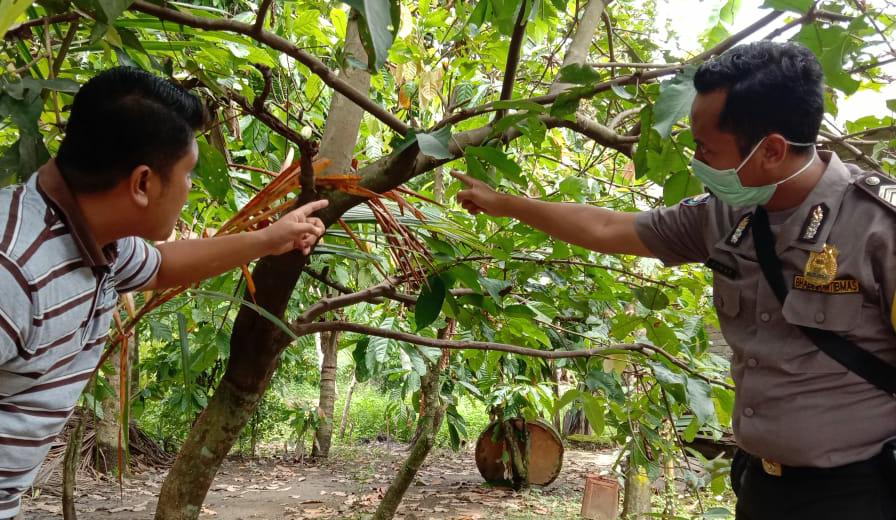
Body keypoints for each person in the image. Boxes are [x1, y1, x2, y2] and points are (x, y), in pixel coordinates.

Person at [455, 41, 896, 519]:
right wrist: (504, 203)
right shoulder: (727, 214)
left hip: (858, 495)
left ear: (770, 150)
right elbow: (610, 227)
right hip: (762, 488)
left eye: (707, 147)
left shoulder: (878, 230)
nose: (696, 159)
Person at [0, 67, 328, 519]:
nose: (191, 189)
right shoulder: (12, 272)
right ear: (142, 183)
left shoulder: (95, 240)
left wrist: (269, 240)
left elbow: (162, 265)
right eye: (188, 173)